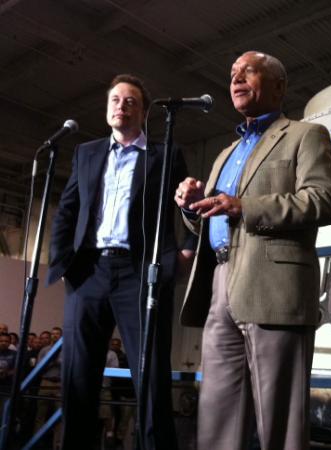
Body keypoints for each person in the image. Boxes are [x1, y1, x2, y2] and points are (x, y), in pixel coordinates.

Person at [176, 51, 331, 450]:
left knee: (280, 422)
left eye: (248, 71)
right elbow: (212, 220)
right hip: (219, 282)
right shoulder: (225, 154)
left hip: (274, 285)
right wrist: (191, 207)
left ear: (279, 86)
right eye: (232, 72)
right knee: (216, 416)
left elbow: (323, 201)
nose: (235, 78)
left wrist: (244, 206)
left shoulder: (306, 135)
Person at [47, 73, 185, 450]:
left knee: (151, 375)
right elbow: (67, 210)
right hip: (88, 272)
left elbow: (186, 205)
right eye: (115, 100)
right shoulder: (86, 152)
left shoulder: (165, 154)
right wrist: (63, 263)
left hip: (139, 274)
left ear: (143, 112)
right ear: (107, 108)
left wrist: (185, 251)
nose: (121, 106)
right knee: (77, 377)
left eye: (130, 101)